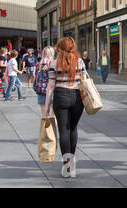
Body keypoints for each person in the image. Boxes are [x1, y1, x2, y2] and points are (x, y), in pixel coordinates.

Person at [44, 37, 86, 178]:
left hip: (60, 96)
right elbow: (84, 80)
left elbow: (50, 86)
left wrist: (46, 106)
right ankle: (72, 163)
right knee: (73, 129)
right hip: (76, 97)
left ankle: (67, 165)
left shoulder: (54, 63)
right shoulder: (79, 62)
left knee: (63, 131)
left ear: (60, 48)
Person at [36, 46, 55, 117]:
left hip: (41, 89)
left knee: (44, 115)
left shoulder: (39, 64)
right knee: (54, 114)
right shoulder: (53, 63)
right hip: (52, 89)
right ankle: (53, 127)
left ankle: (45, 127)